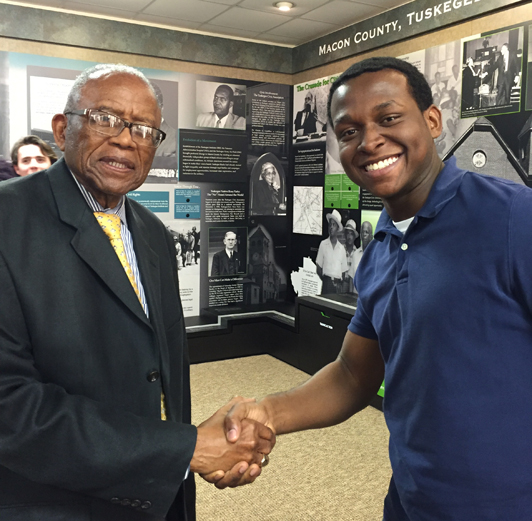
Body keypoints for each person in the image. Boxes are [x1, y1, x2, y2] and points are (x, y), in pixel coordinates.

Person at [217, 56, 532, 519]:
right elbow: (352, 374)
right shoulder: (382, 247)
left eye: (388, 118)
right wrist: (268, 412)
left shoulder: (514, 218)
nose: (369, 141)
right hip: (411, 500)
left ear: (432, 120)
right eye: (348, 132)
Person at [0, 63, 273, 521]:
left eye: (145, 129)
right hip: (54, 504)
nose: (127, 139)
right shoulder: (8, 222)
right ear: (63, 129)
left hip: (156, 496)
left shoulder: (152, 233)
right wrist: (186, 450)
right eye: (105, 119)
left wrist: (189, 456)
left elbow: (160, 375)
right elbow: (10, 405)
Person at [315, 209, 347, 294]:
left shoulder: (341, 249)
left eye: (334, 225)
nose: (331, 227)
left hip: (337, 286)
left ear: (337, 228)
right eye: (330, 225)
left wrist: (337, 283)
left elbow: (343, 272)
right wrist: (327, 280)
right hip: (326, 283)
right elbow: (318, 268)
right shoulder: (323, 244)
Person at [342, 219, 360, 294]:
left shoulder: (357, 252)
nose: (349, 236)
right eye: (347, 233)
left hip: (351, 284)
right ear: (345, 235)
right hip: (341, 283)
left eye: (351, 234)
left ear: (354, 236)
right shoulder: (340, 249)